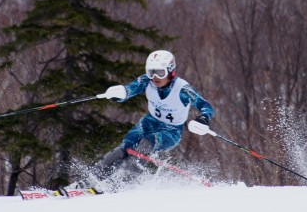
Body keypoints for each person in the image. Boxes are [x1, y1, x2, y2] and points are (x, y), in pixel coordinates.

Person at [66, 50, 214, 191]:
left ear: (171, 71)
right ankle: (92, 178)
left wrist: (203, 119)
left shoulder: (183, 89)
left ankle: (123, 179)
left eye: (160, 72)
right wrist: (119, 93)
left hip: (171, 130)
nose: (155, 77)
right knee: (127, 144)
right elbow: (130, 89)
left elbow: (205, 106)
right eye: (151, 72)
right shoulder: (146, 81)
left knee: (147, 143)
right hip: (149, 122)